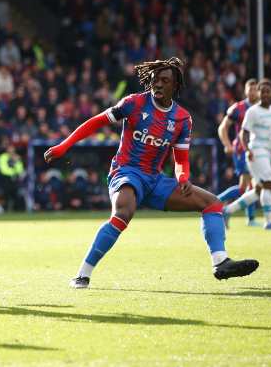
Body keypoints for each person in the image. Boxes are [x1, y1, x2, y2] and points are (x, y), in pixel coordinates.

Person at [44, 58, 259, 289]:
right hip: (126, 172)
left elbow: (181, 159)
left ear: (175, 85)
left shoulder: (182, 119)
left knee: (212, 204)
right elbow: (96, 122)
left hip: (155, 180)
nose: (158, 84)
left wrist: (182, 177)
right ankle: (82, 275)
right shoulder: (134, 103)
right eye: (155, 80)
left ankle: (220, 262)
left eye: (164, 80)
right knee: (123, 212)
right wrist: (64, 146)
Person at [224, 79, 271, 230]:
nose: (265, 94)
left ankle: (227, 210)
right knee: (269, 182)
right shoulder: (252, 111)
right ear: (258, 93)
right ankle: (268, 222)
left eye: (268, 91)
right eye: (262, 91)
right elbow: (243, 133)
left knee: (258, 190)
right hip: (256, 151)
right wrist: (247, 150)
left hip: (266, 152)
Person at [216, 78, 259, 227]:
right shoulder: (238, 108)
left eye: (255, 89)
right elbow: (222, 128)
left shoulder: (261, 108)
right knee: (248, 186)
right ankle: (214, 202)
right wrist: (227, 145)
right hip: (242, 151)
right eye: (250, 89)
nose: (253, 92)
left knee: (249, 187)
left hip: (256, 151)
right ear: (245, 91)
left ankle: (250, 219)